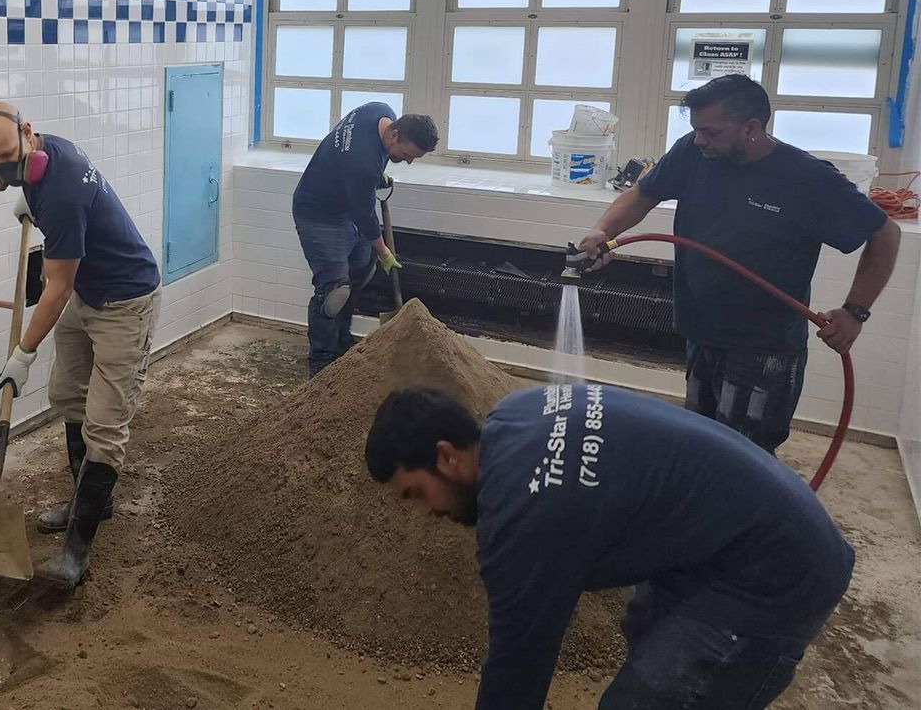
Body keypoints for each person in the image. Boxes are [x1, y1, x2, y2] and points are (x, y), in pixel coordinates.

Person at [366, 385, 854, 710]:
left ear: (446, 457)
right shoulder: (516, 413)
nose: (425, 512)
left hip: (775, 573)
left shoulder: (519, 519)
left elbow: (518, 665)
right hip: (741, 534)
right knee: (643, 624)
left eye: (415, 493)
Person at [577, 75, 899, 452]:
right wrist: (602, 229)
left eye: (710, 132)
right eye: (696, 130)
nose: (700, 140)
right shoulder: (692, 153)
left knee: (745, 455)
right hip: (701, 330)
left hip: (764, 348)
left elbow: (885, 234)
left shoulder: (807, 179)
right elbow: (643, 194)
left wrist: (855, 311)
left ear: (751, 128)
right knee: (702, 440)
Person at [0, 100, 160, 587]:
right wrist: (28, 200)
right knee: (68, 395)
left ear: (27, 132)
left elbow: (54, 287)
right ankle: (91, 497)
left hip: (125, 300)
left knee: (105, 424)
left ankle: (77, 550)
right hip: (88, 292)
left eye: (6, 155)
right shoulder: (46, 157)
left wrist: (23, 354)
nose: (1, 168)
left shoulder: (62, 190)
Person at [291, 102, 439, 376]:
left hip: (346, 204)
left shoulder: (378, 111)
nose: (408, 161)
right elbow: (365, 217)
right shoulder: (361, 163)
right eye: (407, 154)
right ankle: (321, 366)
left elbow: (348, 155)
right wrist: (385, 253)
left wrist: (372, 175)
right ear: (393, 134)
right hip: (319, 214)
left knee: (360, 271)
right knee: (334, 291)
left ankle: (342, 344)